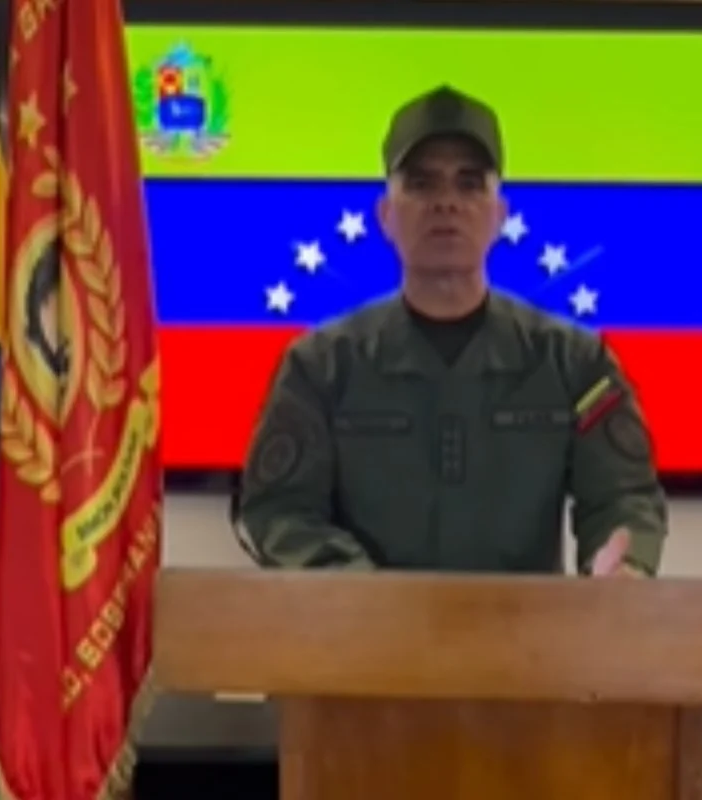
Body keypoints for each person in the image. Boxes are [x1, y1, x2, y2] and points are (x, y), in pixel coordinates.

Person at [234, 85, 668, 576]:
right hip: (368, 623)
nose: (446, 202)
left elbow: (624, 498)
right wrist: (359, 590)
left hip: (525, 625)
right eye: (422, 183)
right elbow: (281, 511)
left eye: (469, 183)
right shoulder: (320, 366)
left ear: (500, 216)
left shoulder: (574, 363)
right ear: (385, 216)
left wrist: (622, 565)